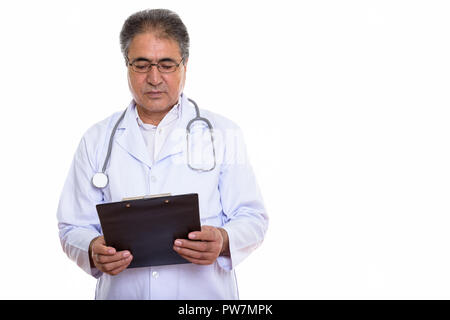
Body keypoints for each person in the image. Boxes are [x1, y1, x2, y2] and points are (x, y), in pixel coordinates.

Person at [56, 8, 268, 300]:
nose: (154, 78)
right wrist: (92, 248)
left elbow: (252, 217)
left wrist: (223, 240)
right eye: (142, 65)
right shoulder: (96, 140)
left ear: (185, 65)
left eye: (166, 64)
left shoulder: (222, 133)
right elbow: (71, 226)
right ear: (126, 65)